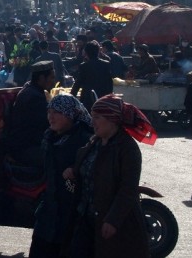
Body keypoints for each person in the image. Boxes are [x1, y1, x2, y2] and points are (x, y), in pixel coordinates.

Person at [65, 94, 156, 258]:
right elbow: (86, 165)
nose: (93, 122)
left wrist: (113, 220)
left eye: (97, 117)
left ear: (112, 119)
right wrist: (73, 170)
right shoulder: (95, 142)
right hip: (87, 219)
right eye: (92, 117)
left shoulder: (127, 148)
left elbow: (128, 189)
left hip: (115, 224)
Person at [29, 94, 93, 258]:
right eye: (49, 112)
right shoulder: (49, 137)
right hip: (49, 212)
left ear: (70, 113)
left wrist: (75, 169)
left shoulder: (84, 140)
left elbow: (94, 170)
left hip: (72, 213)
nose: (51, 116)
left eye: (57, 112)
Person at [3, 61, 57, 168]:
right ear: (41, 78)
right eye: (51, 78)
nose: (53, 81)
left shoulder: (31, 90)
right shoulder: (34, 97)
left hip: (28, 143)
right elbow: (48, 123)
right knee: (58, 158)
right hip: (25, 147)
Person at [71, 41, 113, 109]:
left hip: (87, 99)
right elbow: (110, 83)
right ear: (98, 52)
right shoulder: (106, 64)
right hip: (102, 98)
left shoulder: (84, 66)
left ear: (86, 53)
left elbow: (78, 83)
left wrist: (72, 96)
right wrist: (109, 97)